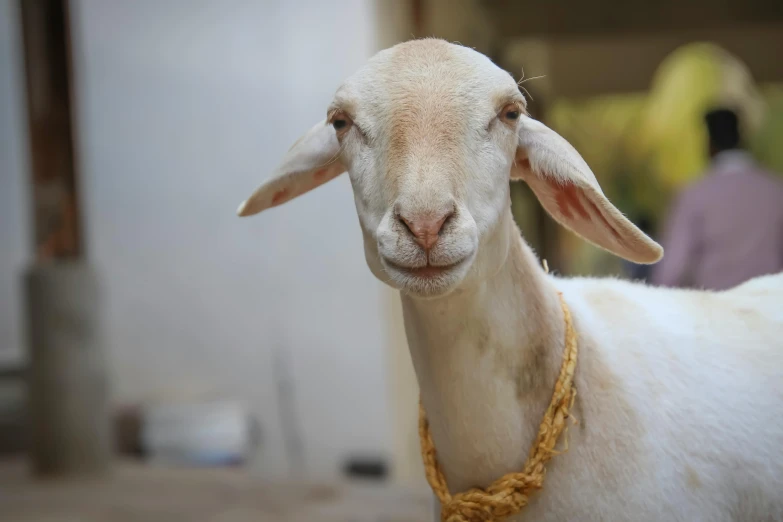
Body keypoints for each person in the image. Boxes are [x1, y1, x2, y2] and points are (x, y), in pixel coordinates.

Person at [651, 107, 783, 291]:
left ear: (710, 143)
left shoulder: (695, 194)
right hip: (771, 308)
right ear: (742, 139)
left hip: (718, 309)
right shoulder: (775, 190)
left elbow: (672, 269)